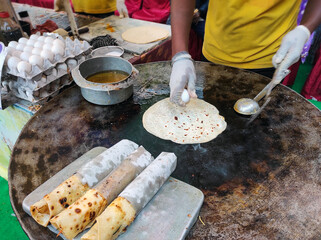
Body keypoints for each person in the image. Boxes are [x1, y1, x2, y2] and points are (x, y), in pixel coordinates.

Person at [169, 0, 321, 106]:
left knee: (261, 136)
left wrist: (305, 29)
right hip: (213, 55)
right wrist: (180, 55)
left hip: (273, 59)